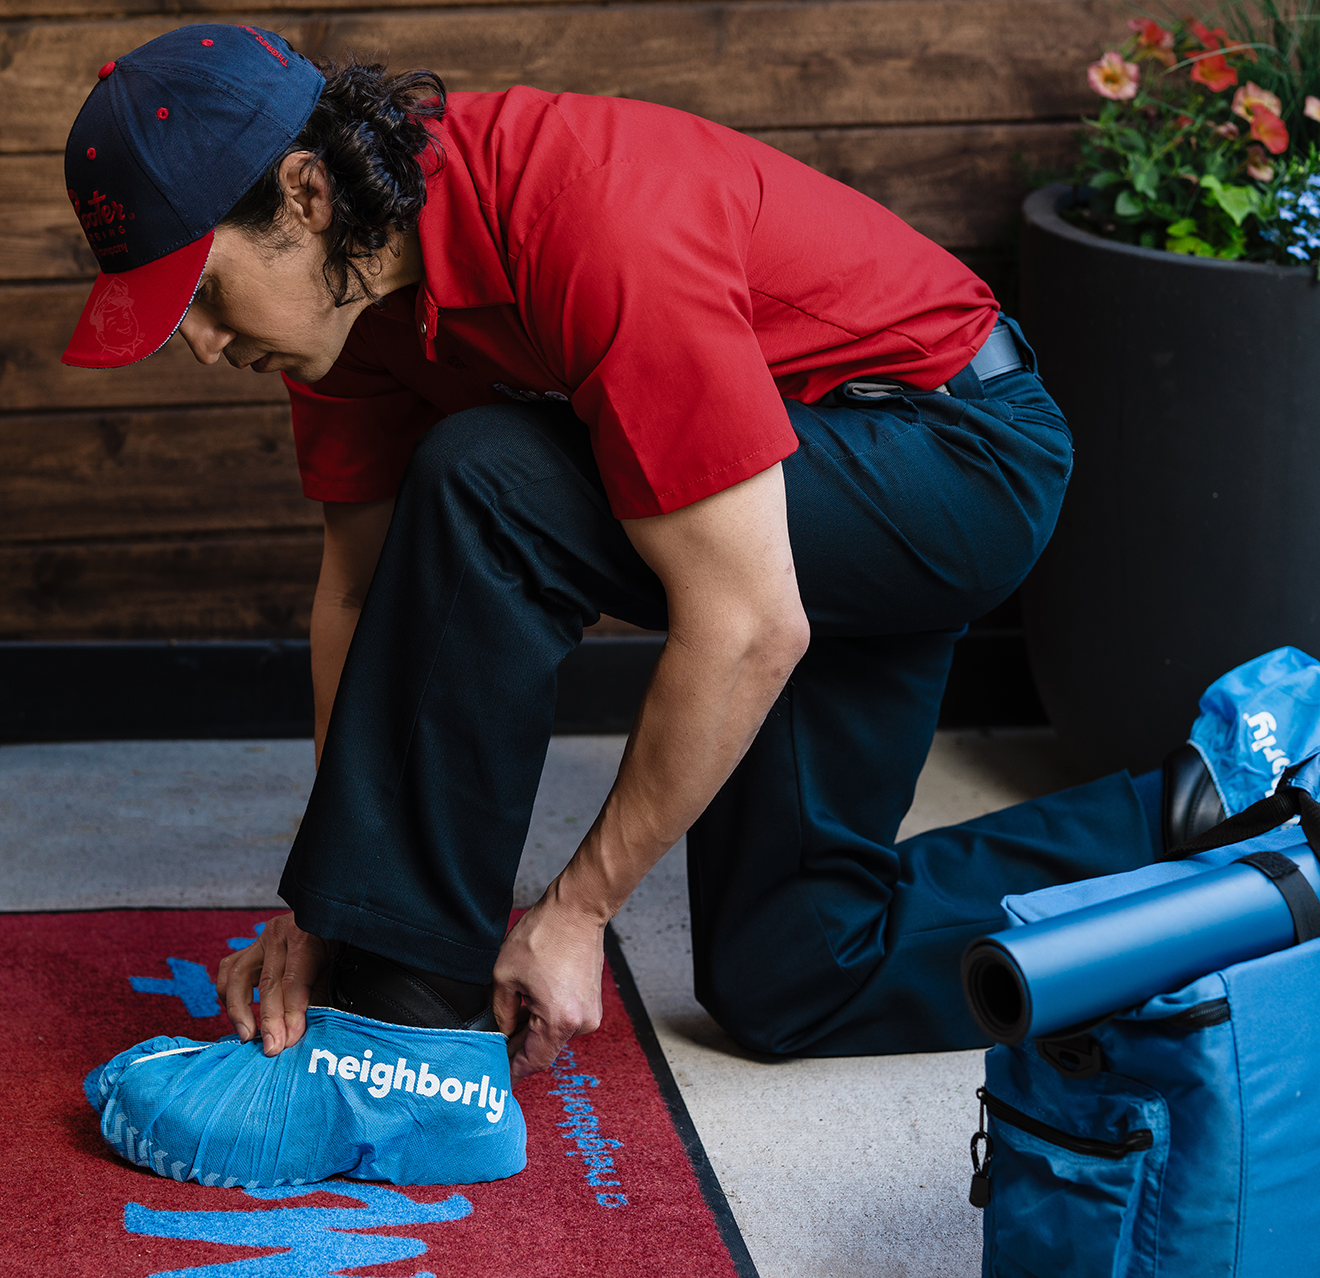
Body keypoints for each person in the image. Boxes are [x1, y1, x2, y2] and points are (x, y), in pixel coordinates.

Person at [64, 23, 1183, 1092]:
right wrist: (324, 899)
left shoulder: (582, 209)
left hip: (954, 455)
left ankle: (406, 1033)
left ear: (306, 196)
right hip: (787, 498)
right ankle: (1208, 823)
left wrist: (578, 910)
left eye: (204, 294)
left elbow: (747, 619)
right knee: (791, 976)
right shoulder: (343, 321)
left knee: (487, 475)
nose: (204, 345)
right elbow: (358, 594)